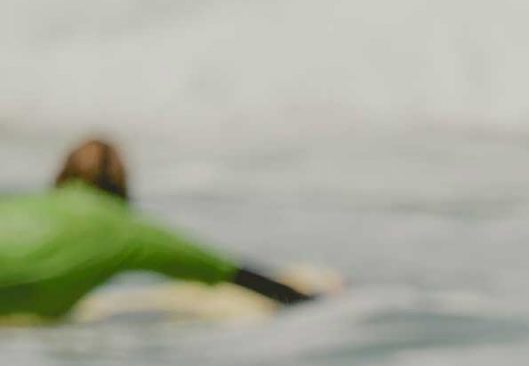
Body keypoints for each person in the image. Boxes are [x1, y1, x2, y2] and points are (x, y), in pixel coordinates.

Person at [0, 139, 318, 323]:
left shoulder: (18, 203)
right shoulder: (128, 231)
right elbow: (230, 272)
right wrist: (304, 301)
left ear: (61, 175)